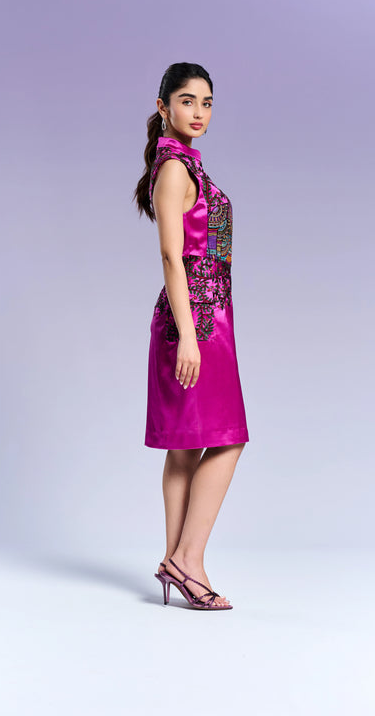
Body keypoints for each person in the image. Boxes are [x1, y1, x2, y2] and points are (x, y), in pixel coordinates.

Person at [133, 62, 249, 610]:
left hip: (209, 318)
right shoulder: (175, 169)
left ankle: (174, 561)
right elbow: (170, 257)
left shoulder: (187, 166)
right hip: (194, 323)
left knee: (188, 447)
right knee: (227, 438)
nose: (199, 112)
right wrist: (187, 335)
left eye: (207, 103)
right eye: (187, 101)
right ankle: (189, 561)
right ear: (164, 108)